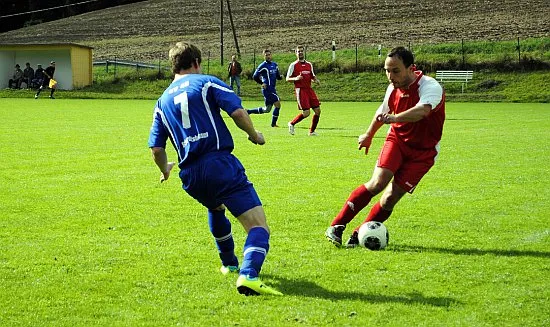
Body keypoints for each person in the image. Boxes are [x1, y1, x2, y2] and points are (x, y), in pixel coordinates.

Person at [148, 41, 282, 296]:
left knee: (215, 206)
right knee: (258, 227)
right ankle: (249, 275)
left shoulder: (161, 102)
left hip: (190, 175)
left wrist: (165, 168)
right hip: (218, 163)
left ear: (173, 66)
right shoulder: (206, 82)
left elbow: (156, 149)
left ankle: (229, 264)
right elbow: (238, 113)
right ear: (197, 63)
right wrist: (255, 135)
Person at [325, 46, 446, 248]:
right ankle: (337, 226)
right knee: (377, 183)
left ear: (411, 68)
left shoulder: (430, 87)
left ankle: (358, 234)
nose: (390, 76)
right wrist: (369, 135)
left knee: (390, 198)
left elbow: (423, 111)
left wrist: (396, 118)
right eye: (387, 71)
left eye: (395, 70)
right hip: (397, 141)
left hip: (423, 153)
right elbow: (382, 112)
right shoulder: (392, 88)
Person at [286, 45, 322, 136]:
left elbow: (312, 76)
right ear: (296, 53)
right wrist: (296, 78)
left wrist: (316, 80)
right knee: (306, 113)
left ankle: (312, 132)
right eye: (298, 51)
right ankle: (292, 123)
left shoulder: (309, 64)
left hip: (309, 89)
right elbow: (287, 78)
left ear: (304, 52)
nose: (300, 53)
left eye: (301, 51)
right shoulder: (293, 65)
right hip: (301, 90)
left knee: (318, 110)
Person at [246, 49, 283, 128]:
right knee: (278, 105)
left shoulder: (275, 65)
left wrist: (280, 77)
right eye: (266, 55)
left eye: (269, 55)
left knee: (267, 109)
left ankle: (248, 111)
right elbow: (255, 76)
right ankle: (273, 124)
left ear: (271, 55)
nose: (268, 56)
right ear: (264, 56)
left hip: (272, 89)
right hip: (268, 90)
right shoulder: (262, 66)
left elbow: (277, 76)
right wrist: (262, 83)